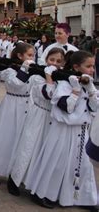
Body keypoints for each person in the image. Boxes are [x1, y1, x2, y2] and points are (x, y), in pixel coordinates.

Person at [27, 51, 98, 210]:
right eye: (89, 66)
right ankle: (43, 193)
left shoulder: (88, 84)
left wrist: (91, 89)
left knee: (83, 166)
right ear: (76, 67)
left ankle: (84, 197)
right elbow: (66, 108)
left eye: (93, 66)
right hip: (64, 131)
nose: (92, 70)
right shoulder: (65, 84)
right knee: (57, 163)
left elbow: (94, 108)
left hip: (81, 131)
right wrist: (74, 91)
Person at [10, 48, 65, 203]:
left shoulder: (61, 78)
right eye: (51, 60)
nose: (54, 64)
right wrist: (48, 76)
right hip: (39, 115)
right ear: (46, 59)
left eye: (58, 61)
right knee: (28, 148)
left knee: (43, 153)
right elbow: (48, 94)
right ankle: (14, 179)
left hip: (53, 119)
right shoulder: (37, 76)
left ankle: (36, 185)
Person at [0, 42, 35, 193]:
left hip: (27, 105)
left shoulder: (32, 70)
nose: (32, 58)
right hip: (12, 105)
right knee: (4, 138)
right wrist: (24, 69)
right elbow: (15, 84)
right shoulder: (9, 70)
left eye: (33, 55)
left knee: (22, 141)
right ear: (19, 56)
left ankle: (16, 175)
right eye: (29, 55)